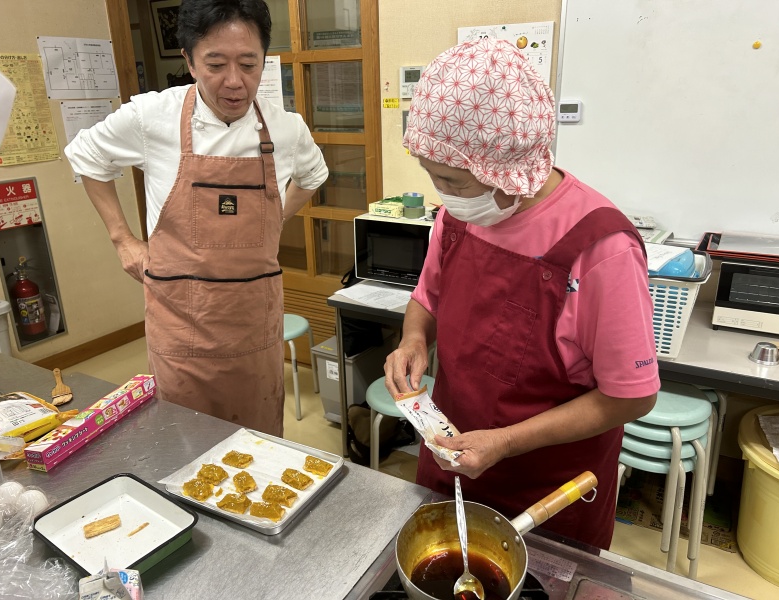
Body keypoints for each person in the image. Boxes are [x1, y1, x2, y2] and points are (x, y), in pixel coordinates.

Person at [384, 39, 659, 550]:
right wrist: (414, 340)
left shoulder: (601, 248)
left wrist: (507, 441)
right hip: (451, 464)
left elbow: (632, 395)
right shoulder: (459, 216)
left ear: (505, 172)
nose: (443, 193)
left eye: (451, 180)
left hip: (547, 494)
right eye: (432, 176)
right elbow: (428, 296)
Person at [65, 0, 328, 436]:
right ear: (189, 61)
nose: (235, 81)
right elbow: (86, 155)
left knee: (258, 440)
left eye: (249, 64)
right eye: (216, 64)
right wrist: (122, 239)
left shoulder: (285, 128)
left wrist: (274, 221)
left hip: (254, 328)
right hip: (181, 326)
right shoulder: (152, 116)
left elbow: (314, 175)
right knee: (185, 442)